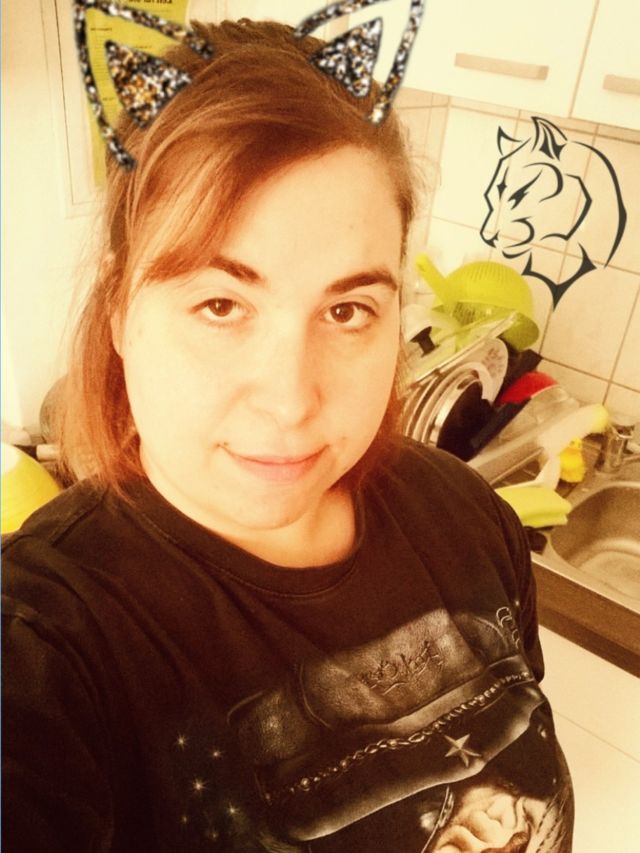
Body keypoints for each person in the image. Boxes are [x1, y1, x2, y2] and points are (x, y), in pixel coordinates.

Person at [2, 17, 574, 853]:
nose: (290, 400)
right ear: (120, 309)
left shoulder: (466, 514)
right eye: (221, 304)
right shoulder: (45, 644)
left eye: (348, 310)